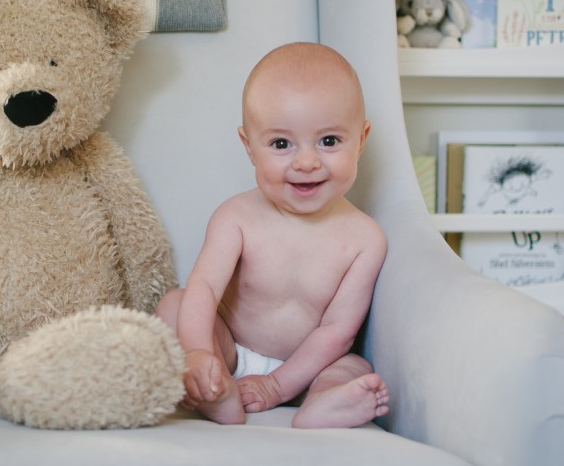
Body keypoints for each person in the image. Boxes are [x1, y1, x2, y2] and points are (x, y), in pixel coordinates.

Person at [156, 42, 389, 428]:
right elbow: (204, 289)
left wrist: (277, 385)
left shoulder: (365, 239)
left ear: (361, 140)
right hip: (231, 353)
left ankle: (323, 404)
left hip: (309, 368)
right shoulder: (236, 217)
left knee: (353, 367)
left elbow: (337, 331)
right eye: (281, 144)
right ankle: (215, 389)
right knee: (174, 306)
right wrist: (199, 352)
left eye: (329, 141)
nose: (307, 162)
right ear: (249, 147)